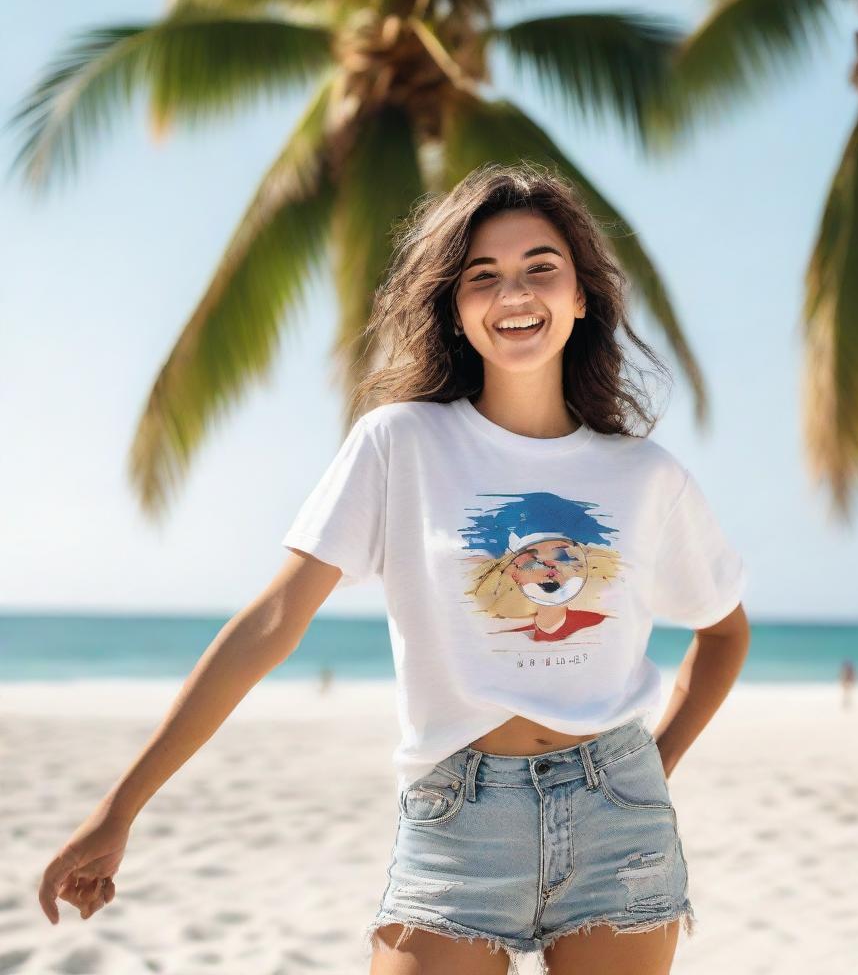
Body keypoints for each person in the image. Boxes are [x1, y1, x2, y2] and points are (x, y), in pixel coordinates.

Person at [37, 162, 751, 975]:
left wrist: (651, 769)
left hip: (620, 815)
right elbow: (272, 623)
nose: (514, 295)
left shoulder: (645, 475)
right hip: (458, 816)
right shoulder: (399, 443)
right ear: (455, 308)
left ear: (581, 296)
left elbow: (723, 631)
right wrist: (119, 807)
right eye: (483, 278)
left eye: (540, 270)